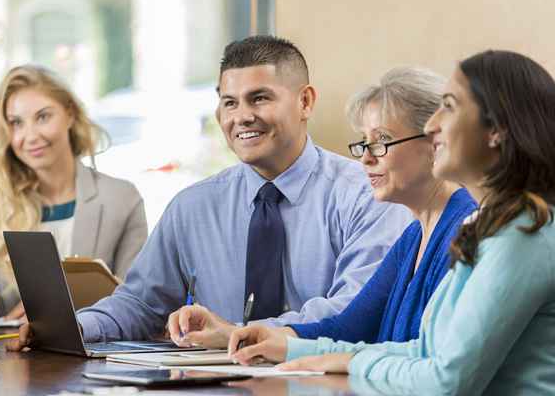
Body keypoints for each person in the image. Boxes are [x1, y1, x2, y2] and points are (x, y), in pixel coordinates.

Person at [8, 35, 411, 350]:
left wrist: (239, 332)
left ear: (305, 101)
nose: (241, 117)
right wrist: (75, 327)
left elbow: (355, 310)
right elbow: (140, 303)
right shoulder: (193, 207)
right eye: (229, 103)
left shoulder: (367, 195)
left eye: (260, 98)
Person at [232, 50, 555, 395]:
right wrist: (315, 353)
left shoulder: (524, 233)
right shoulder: (489, 226)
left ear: (497, 131)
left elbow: (446, 380)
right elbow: (423, 352)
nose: (433, 126)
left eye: (450, 105)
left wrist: (352, 361)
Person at [175, 67, 476, 351]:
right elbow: (349, 326)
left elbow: (429, 362)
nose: (366, 159)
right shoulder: (413, 236)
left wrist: (349, 362)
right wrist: (234, 334)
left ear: (436, 142)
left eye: (382, 140)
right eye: (364, 143)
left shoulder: (467, 232)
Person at [0, 65, 148, 323]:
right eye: (16, 123)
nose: (30, 136)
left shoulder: (122, 199)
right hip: (3, 353)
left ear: (69, 114)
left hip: (89, 355)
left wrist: (63, 314)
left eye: (43, 117)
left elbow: (139, 306)